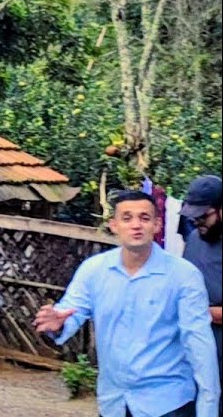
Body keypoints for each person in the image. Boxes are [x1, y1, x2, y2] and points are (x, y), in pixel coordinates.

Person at [34, 190, 219, 417]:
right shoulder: (94, 270)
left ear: (157, 224)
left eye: (144, 218)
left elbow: (199, 344)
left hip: (168, 403)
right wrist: (57, 324)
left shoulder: (183, 276)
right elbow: (71, 310)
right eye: (127, 218)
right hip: (114, 402)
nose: (136, 225)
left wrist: (208, 407)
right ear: (113, 225)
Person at [180, 174, 223, 415]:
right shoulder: (195, 239)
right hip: (195, 356)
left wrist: (206, 313)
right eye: (193, 216)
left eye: (203, 215)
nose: (197, 221)